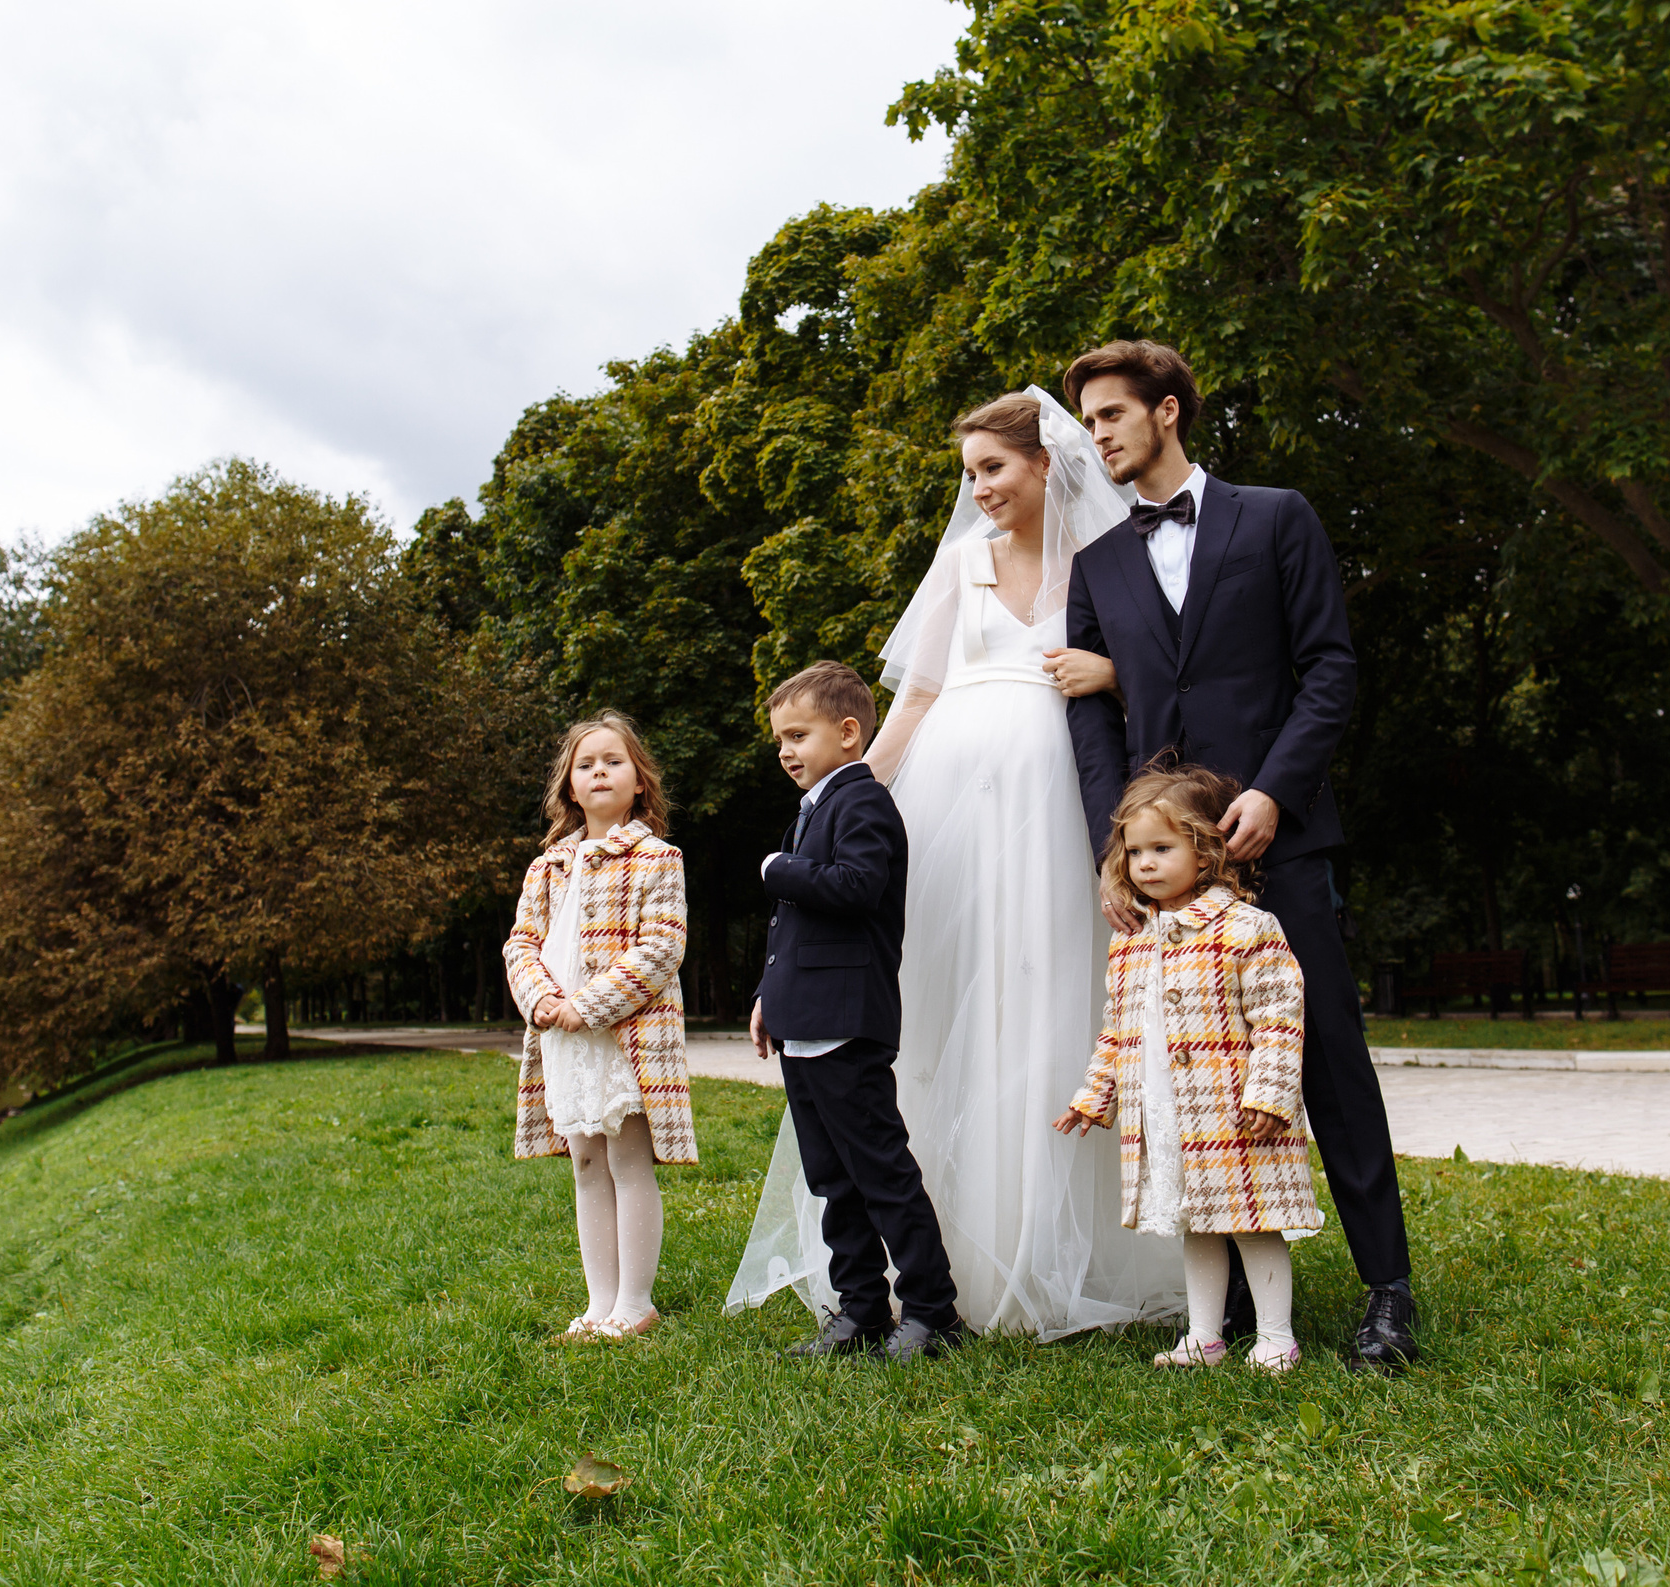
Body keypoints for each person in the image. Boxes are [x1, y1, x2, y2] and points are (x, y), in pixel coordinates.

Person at [726, 392, 1183, 1339]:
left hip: (1054, 807)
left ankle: (1054, 1244)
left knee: (1047, 999)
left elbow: (1161, 681)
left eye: (994, 468)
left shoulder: (1101, 565)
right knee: (943, 999)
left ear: (1045, 463)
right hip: (948, 813)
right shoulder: (960, 565)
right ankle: (924, 1264)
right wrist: (841, 803)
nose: (979, 490)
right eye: (969, 474)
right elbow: (914, 703)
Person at [1055, 338, 1420, 1368]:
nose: (1097, 437)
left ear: (1167, 411)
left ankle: (1387, 1293)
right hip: (1166, 875)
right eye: (1088, 422)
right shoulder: (1097, 567)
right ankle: (1237, 1315)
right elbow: (1090, 729)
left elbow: (1328, 668)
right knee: (1192, 1080)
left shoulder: (1276, 517)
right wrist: (1112, 855)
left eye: (1110, 417)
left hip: (1279, 837)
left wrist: (1271, 789)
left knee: (1329, 1065)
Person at [1056, 767, 1321, 1374]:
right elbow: (1119, 1029)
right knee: (1195, 1222)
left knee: (1254, 1223)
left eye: (1162, 848)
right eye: (1135, 851)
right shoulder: (1132, 940)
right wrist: (1095, 1095)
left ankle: (1276, 1335)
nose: (1144, 864)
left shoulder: (1246, 928)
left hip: (1234, 1109)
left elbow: (1280, 1015)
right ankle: (1205, 1336)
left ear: (1205, 852)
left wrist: (1271, 1093)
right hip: (1167, 1111)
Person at [748, 661, 965, 1362]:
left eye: (798, 734)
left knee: (880, 1171)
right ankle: (862, 1310)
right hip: (803, 1018)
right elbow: (795, 931)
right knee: (832, 1179)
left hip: (847, 1019)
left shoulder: (864, 803)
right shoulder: (811, 808)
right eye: (779, 737)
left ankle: (932, 1312)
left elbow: (858, 886)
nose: (785, 749)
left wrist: (778, 869)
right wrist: (766, 998)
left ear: (848, 733)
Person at [501, 711, 695, 1343]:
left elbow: (661, 948)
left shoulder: (656, 858)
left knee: (627, 1159)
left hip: (622, 1036)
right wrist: (542, 1001)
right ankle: (599, 1303)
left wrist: (587, 1005)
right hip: (560, 1037)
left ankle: (636, 1302)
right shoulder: (547, 868)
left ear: (639, 780)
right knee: (585, 1161)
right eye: (585, 765)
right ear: (570, 788)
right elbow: (520, 944)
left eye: (613, 761)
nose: (599, 771)